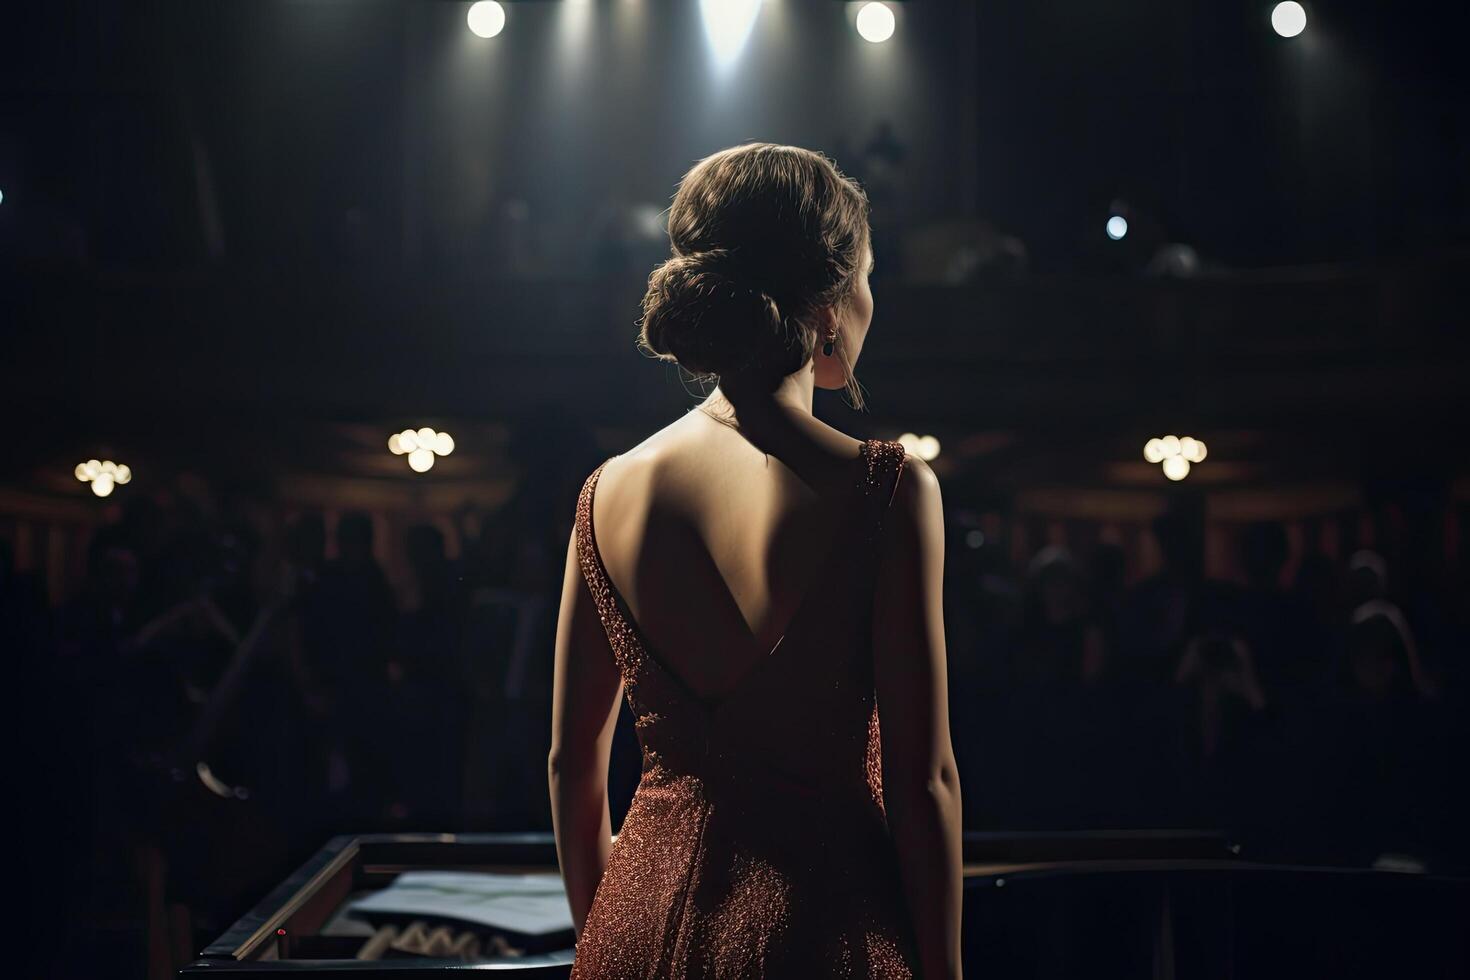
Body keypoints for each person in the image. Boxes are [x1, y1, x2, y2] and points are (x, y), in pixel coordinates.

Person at [548, 143, 963, 979]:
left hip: (631, 929)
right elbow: (925, 784)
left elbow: (570, 764)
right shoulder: (884, 490)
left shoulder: (609, 493)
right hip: (821, 937)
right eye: (869, 274)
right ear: (831, 304)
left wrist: (609, 934)